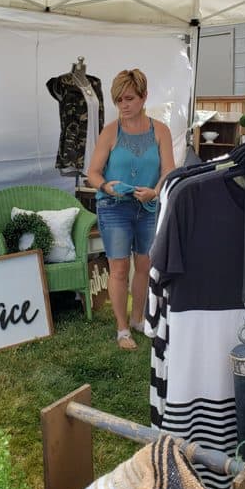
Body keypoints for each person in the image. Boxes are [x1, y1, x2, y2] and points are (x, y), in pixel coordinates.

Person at [87, 69, 175, 350]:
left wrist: (155, 191)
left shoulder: (160, 130)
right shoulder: (110, 131)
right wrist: (106, 188)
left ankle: (138, 318)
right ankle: (122, 329)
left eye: (129, 98)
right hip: (114, 207)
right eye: (118, 100)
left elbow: (169, 170)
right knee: (119, 267)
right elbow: (93, 173)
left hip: (148, 207)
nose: (123, 105)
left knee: (145, 266)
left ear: (144, 97)